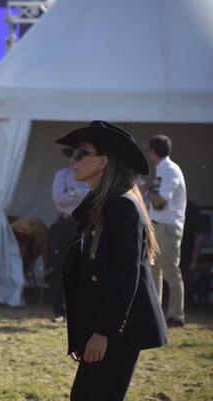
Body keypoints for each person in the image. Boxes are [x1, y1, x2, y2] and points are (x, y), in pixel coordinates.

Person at [56, 121, 167, 401]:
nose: (74, 159)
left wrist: (103, 332)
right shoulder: (100, 202)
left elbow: (126, 276)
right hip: (103, 325)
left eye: (81, 152)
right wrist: (87, 332)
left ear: (103, 161)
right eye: (74, 153)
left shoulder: (121, 205)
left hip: (120, 330)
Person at [146, 135, 187, 327]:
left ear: (153, 151)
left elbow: (162, 199)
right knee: (154, 271)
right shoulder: (162, 169)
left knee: (171, 272)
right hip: (158, 226)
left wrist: (144, 190)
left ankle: (176, 316)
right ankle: (156, 313)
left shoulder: (170, 170)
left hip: (168, 227)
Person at [49, 148, 90, 322]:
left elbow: (92, 196)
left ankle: (79, 309)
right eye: (74, 157)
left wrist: (72, 193)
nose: (76, 160)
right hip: (66, 223)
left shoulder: (90, 176)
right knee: (60, 267)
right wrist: (79, 195)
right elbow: (59, 199)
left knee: (84, 267)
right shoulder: (62, 174)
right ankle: (59, 310)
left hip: (84, 223)